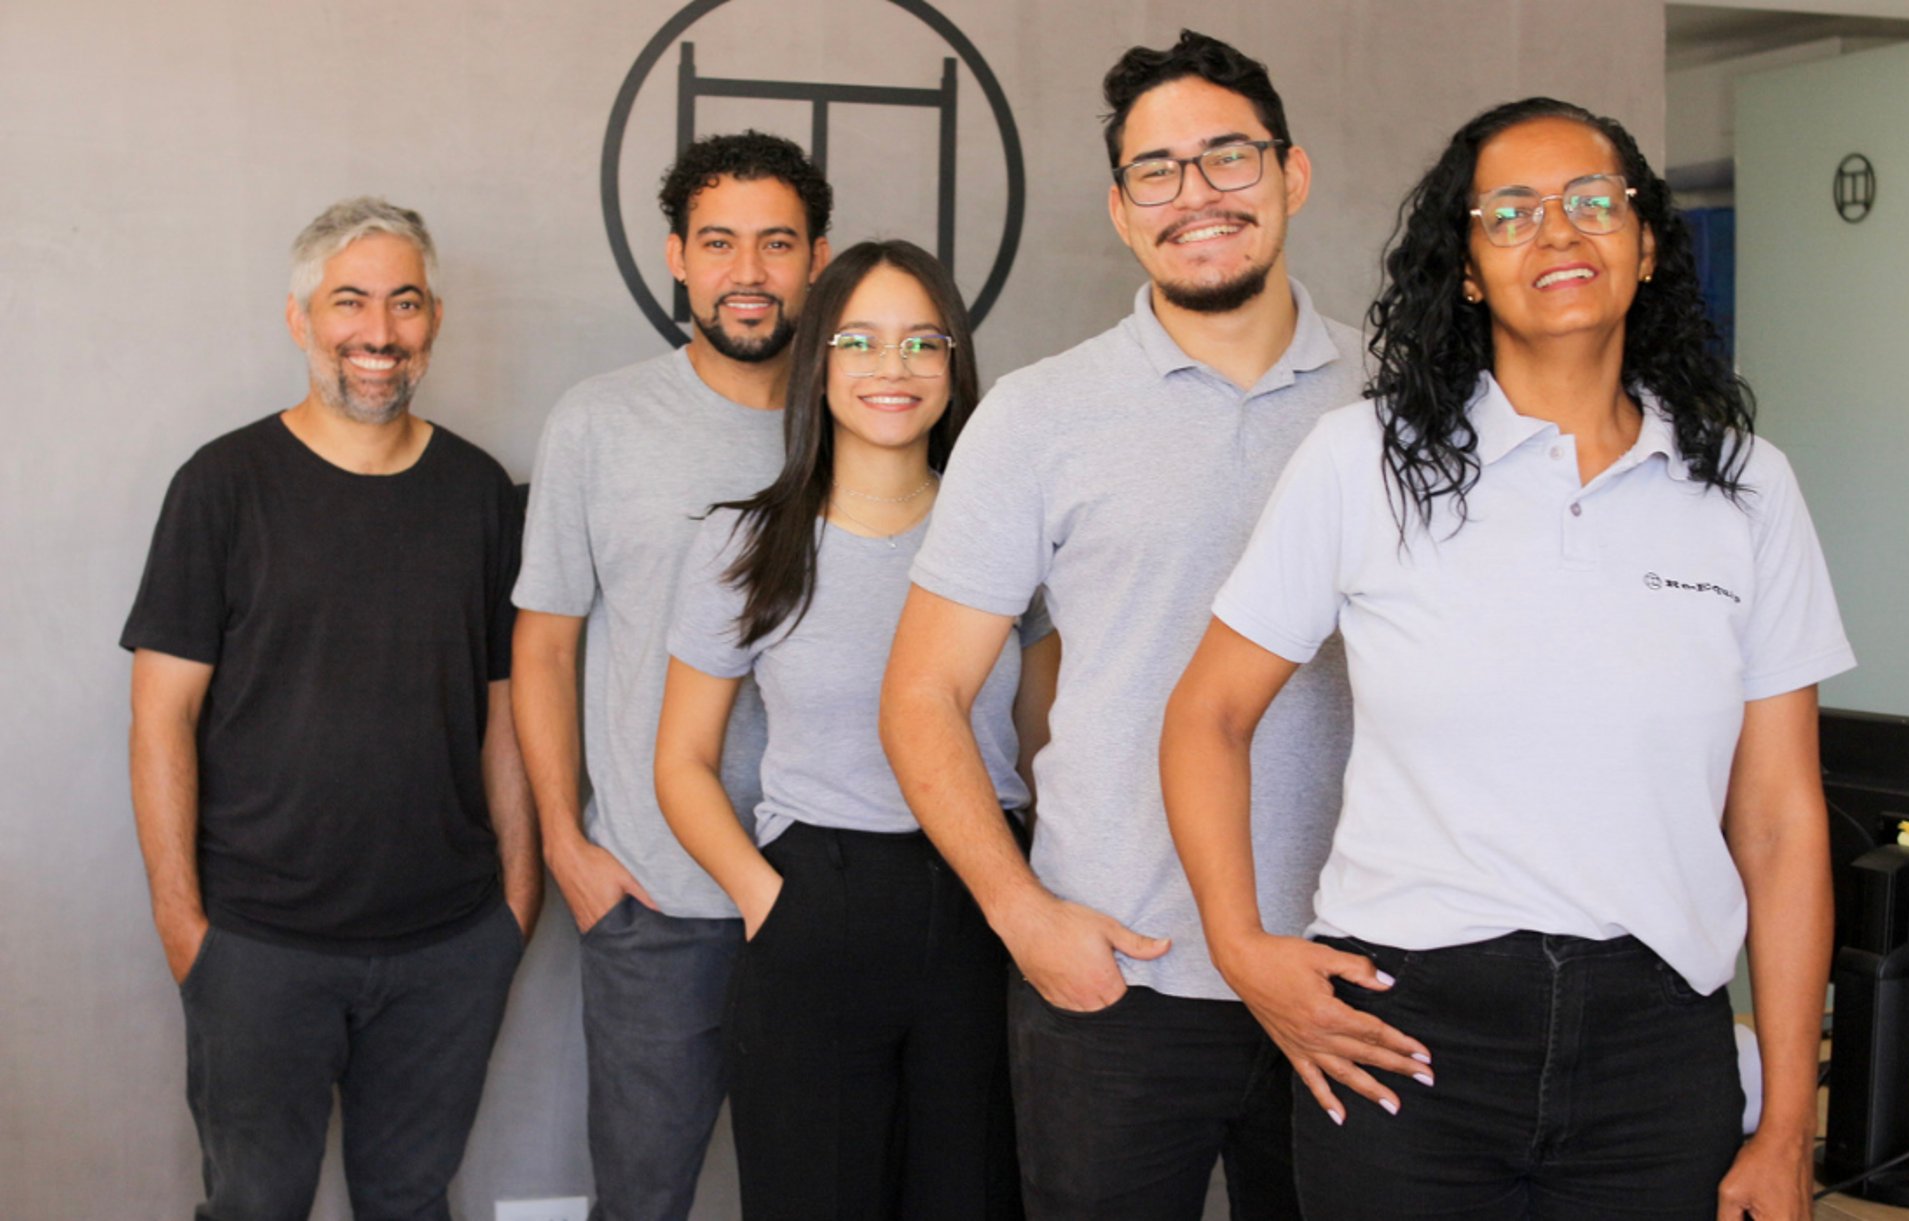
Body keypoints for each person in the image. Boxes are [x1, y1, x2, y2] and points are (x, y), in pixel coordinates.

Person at [1163, 96, 1852, 1220]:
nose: (1560, 233)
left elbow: (1779, 819)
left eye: (1594, 203)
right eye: (1513, 212)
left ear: (1644, 244)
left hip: (1657, 1045)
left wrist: (1783, 1126)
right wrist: (1243, 949)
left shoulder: (1746, 486)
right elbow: (1206, 717)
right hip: (1408, 1030)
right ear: (1469, 269)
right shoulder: (1365, 461)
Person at [880, 30, 1364, 1220]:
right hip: (1117, 981)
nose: (1195, 196)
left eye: (1228, 159)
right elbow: (922, 694)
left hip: (1359, 972)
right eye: (1158, 170)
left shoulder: (1401, 395)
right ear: (1120, 208)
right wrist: (1023, 915)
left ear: (1292, 174)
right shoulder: (1041, 416)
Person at [122, 196, 538, 1220]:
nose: (379, 334)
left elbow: (506, 717)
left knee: (410, 1199)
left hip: (448, 947)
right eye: (349, 302)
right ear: (300, 317)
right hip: (259, 947)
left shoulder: (481, 494)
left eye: (404, 304)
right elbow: (159, 720)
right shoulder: (221, 487)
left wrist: (514, 908)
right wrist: (188, 928)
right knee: (255, 1203)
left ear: (434, 319)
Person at [658, 240, 1048, 1220]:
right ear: (817, 365)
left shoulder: (1009, 538)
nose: (894, 367)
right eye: (860, 341)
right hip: (816, 906)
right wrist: (766, 899)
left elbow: (1045, 746)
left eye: (924, 341)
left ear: (955, 365)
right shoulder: (745, 543)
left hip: (982, 904)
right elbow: (682, 762)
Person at [512, 131, 832, 1221]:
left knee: (834, 1188)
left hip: (835, 884)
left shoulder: (870, 414)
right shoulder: (598, 422)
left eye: (777, 243)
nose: (749, 271)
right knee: (643, 1198)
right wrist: (568, 842)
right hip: (657, 897)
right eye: (721, 242)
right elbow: (545, 642)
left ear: (816, 259)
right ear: (677, 258)